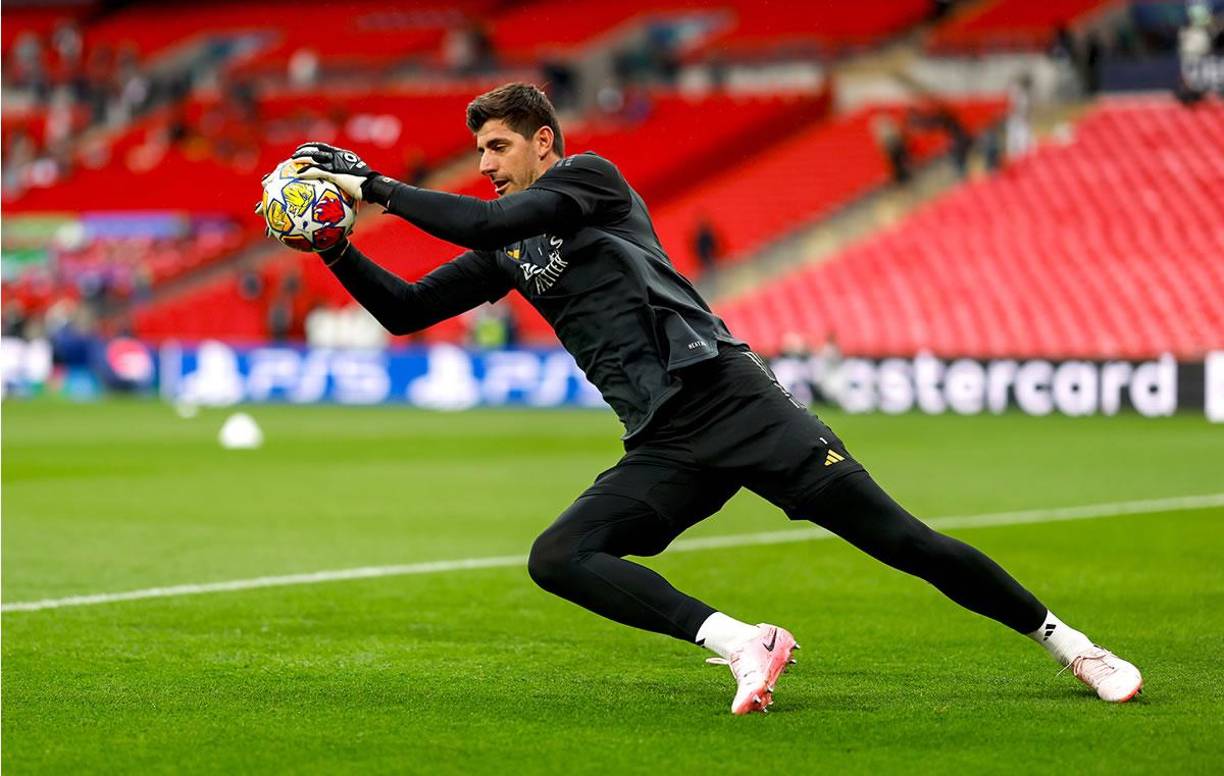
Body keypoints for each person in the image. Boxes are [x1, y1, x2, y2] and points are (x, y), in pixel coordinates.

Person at [267, 83, 1143, 714]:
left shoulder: (590, 182)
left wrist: (373, 186)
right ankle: (740, 642)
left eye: (498, 148)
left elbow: (490, 221)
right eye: (482, 152)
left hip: (733, 399)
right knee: (559, 557)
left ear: (543, 141)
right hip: (665, 440)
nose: (488, 165)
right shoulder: (509, 247)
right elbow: (408, 311)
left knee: (901, 541)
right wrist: (336, 246)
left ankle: (1076, 648)